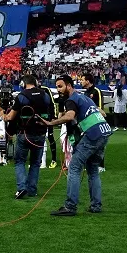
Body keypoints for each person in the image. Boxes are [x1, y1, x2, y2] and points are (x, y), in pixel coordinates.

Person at [42, 75, 111, 216]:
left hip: (92, 136)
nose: (58, 89)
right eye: (57, 87)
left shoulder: (71, 100)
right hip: (104, 133)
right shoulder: (84, 97)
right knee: (93, 171)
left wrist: (51, 123)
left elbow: (69, 116)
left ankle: (70, 206)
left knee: (73, 168)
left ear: (69, 86)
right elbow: (102, 113)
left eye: (60, 86)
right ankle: (96, 205)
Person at [7, 75, 51, 198]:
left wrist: (4, 116)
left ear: (23, 83)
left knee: (20, 161)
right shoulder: (45, 95)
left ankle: (22, 188)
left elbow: (11, 117)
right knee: (35, 163)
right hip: (40, 133)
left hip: (25, 133)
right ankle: (32, 190)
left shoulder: (22, 96)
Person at [82, 73, 105, 171]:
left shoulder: (96, 91)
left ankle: (101, 165)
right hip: (88, 121)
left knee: (99, 144)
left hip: (96, 121)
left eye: (82, 80)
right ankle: (90, 164)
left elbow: (100, 107)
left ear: (87, 81)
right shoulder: (85, 93)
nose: (81, 82)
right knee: (88, 143)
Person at [40, 82, 58, 169]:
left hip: (48, 118)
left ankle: (54, 160)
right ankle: (40, 161)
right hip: (38, 119)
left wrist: (53, 117)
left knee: (50, 138)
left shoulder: (45, 89)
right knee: (39, 138)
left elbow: (52, 103)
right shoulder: (30, 90)